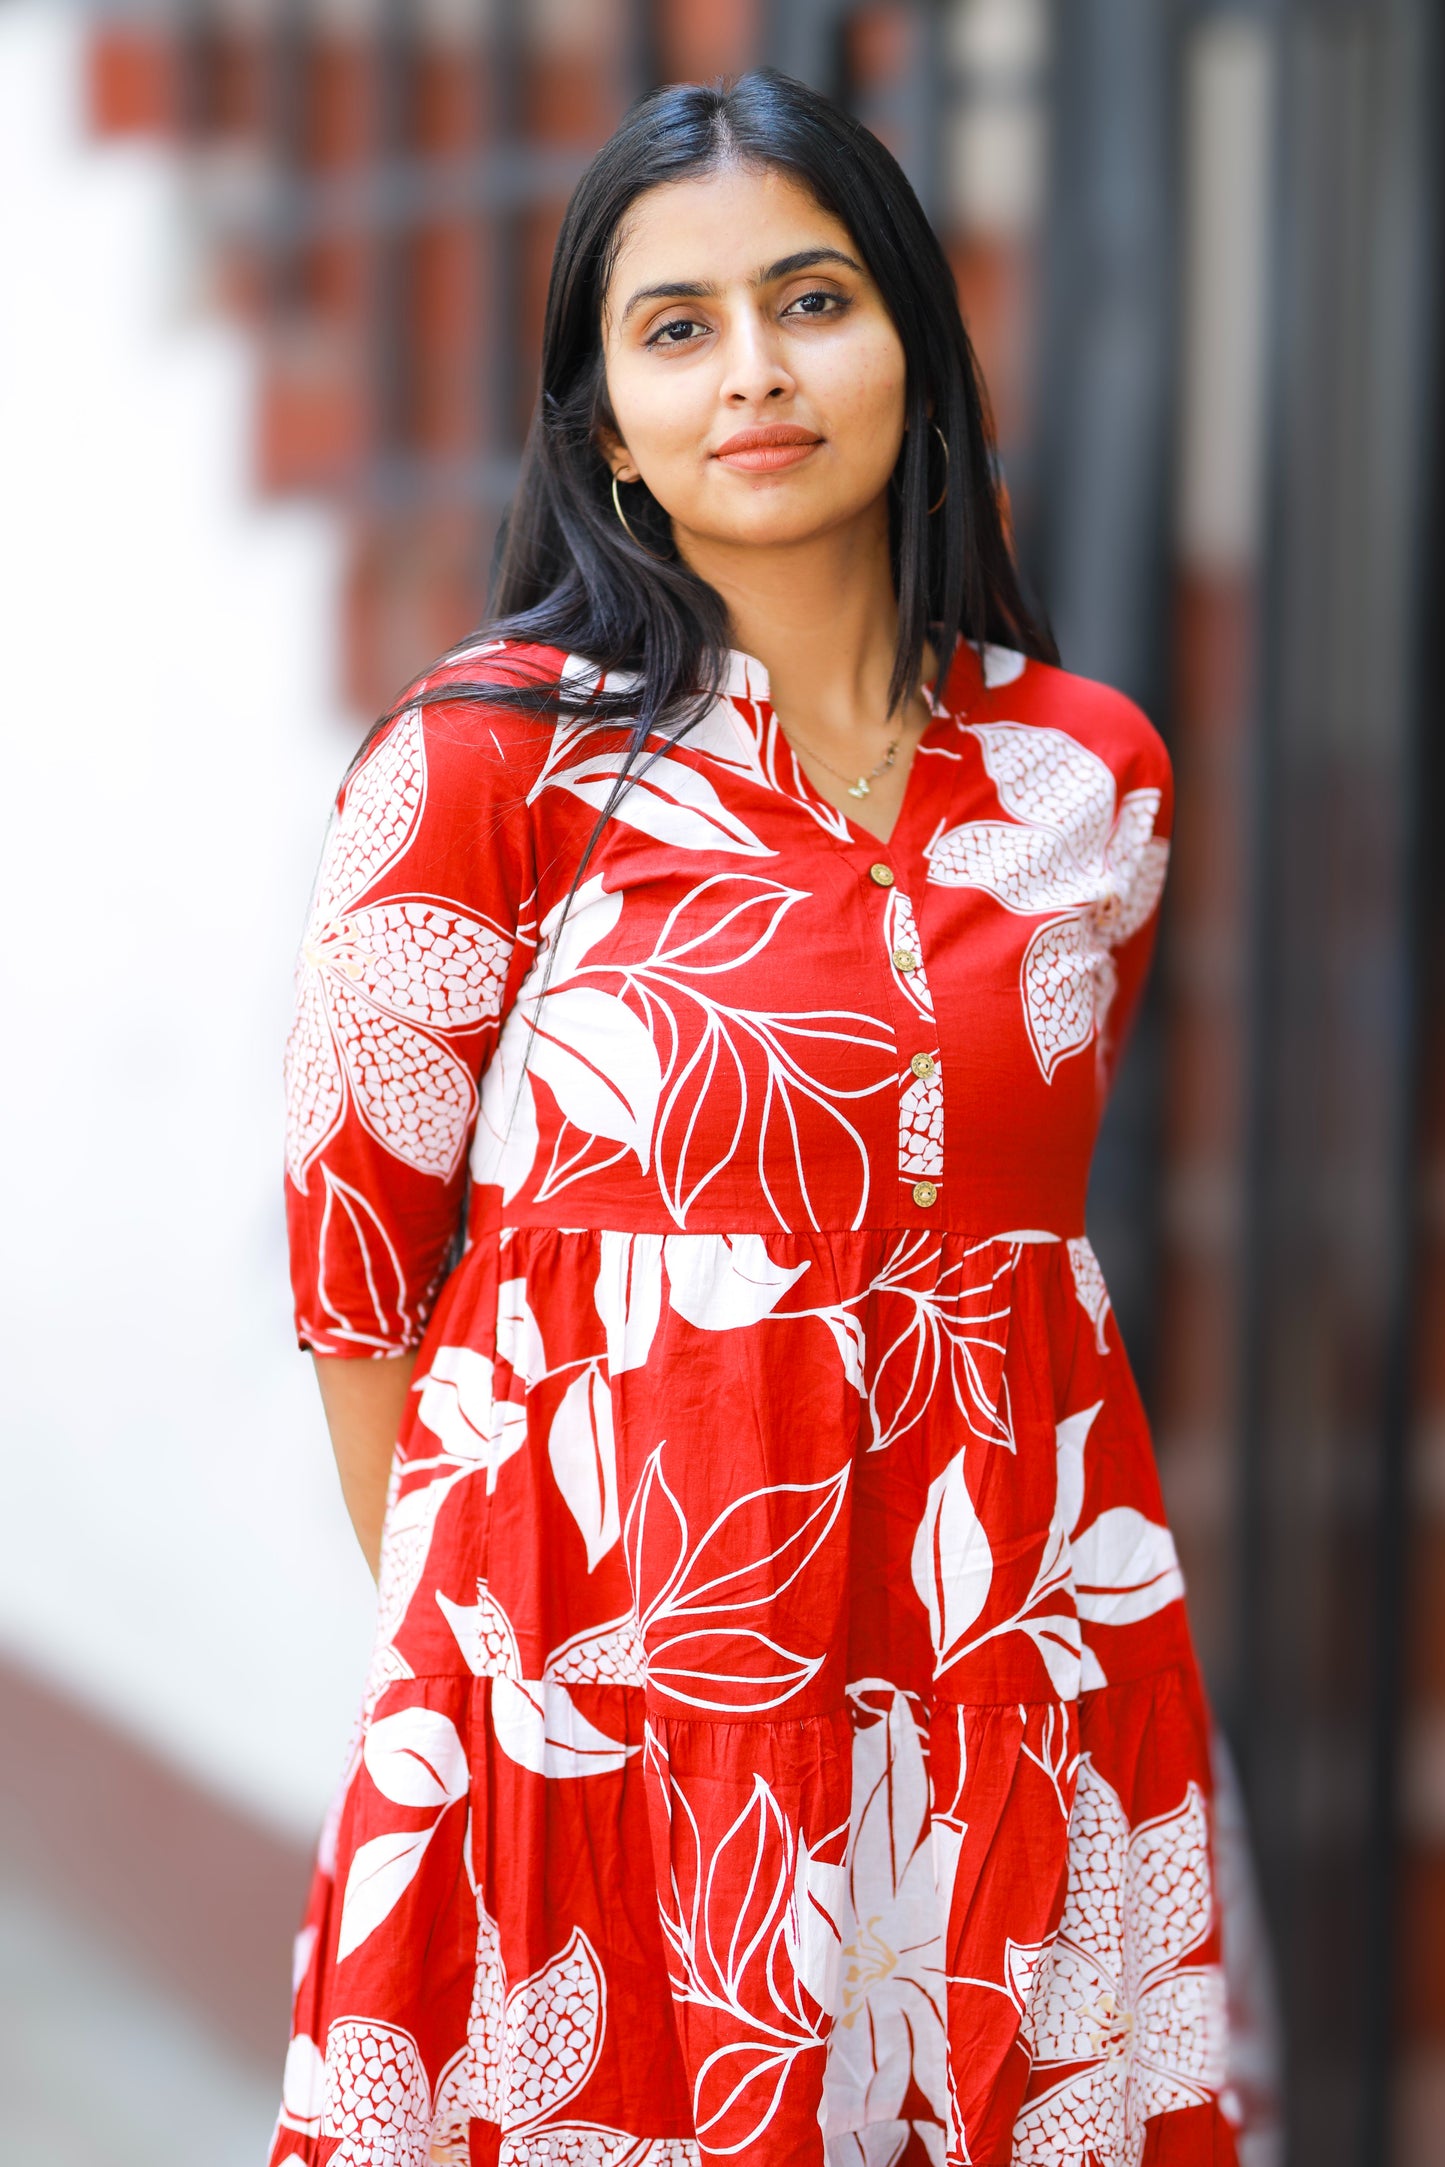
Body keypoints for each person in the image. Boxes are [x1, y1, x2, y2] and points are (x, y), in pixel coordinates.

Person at [270, 69, 1238, 2167]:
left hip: (1008, 1679)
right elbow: (360, 1295)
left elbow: (1007, 1241)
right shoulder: (484, 769)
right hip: (608, 1714)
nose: (757, 373)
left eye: (812, 300)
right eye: (678, 327)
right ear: (606, 420)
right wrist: (513, 1714)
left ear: (915, 337)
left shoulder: (1096, 779)